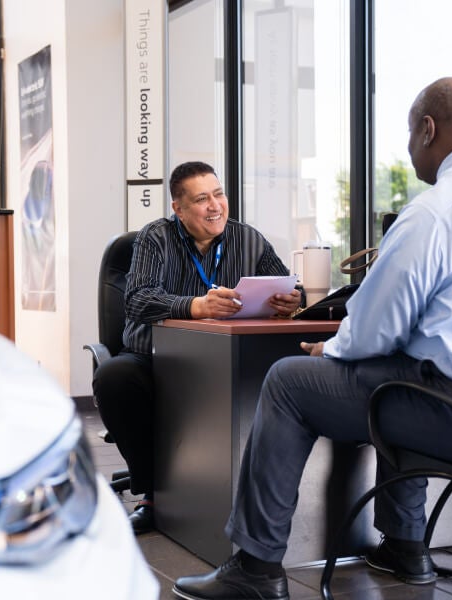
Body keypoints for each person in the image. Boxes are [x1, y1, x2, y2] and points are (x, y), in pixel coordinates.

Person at [171, 78, 452, 600]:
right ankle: (404, 546)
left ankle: (255, 570)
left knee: (289, 381)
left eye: (410, 136)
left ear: (427, 129)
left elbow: (373, 329)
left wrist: (333, 347)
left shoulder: (438, 210)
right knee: (406, 369)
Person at [93, 161, 301, 535]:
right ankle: (152, 494)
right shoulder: (154, 238)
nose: (215, 206)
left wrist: (292, 300)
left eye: (219, 194)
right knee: (114, 376)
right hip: (155, 358)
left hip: (220, 359)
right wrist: (195, 305)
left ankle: (238, 498)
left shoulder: (249, 239)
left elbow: (284, 283)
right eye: (202, 199)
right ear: (179, 209)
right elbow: (137, 300)